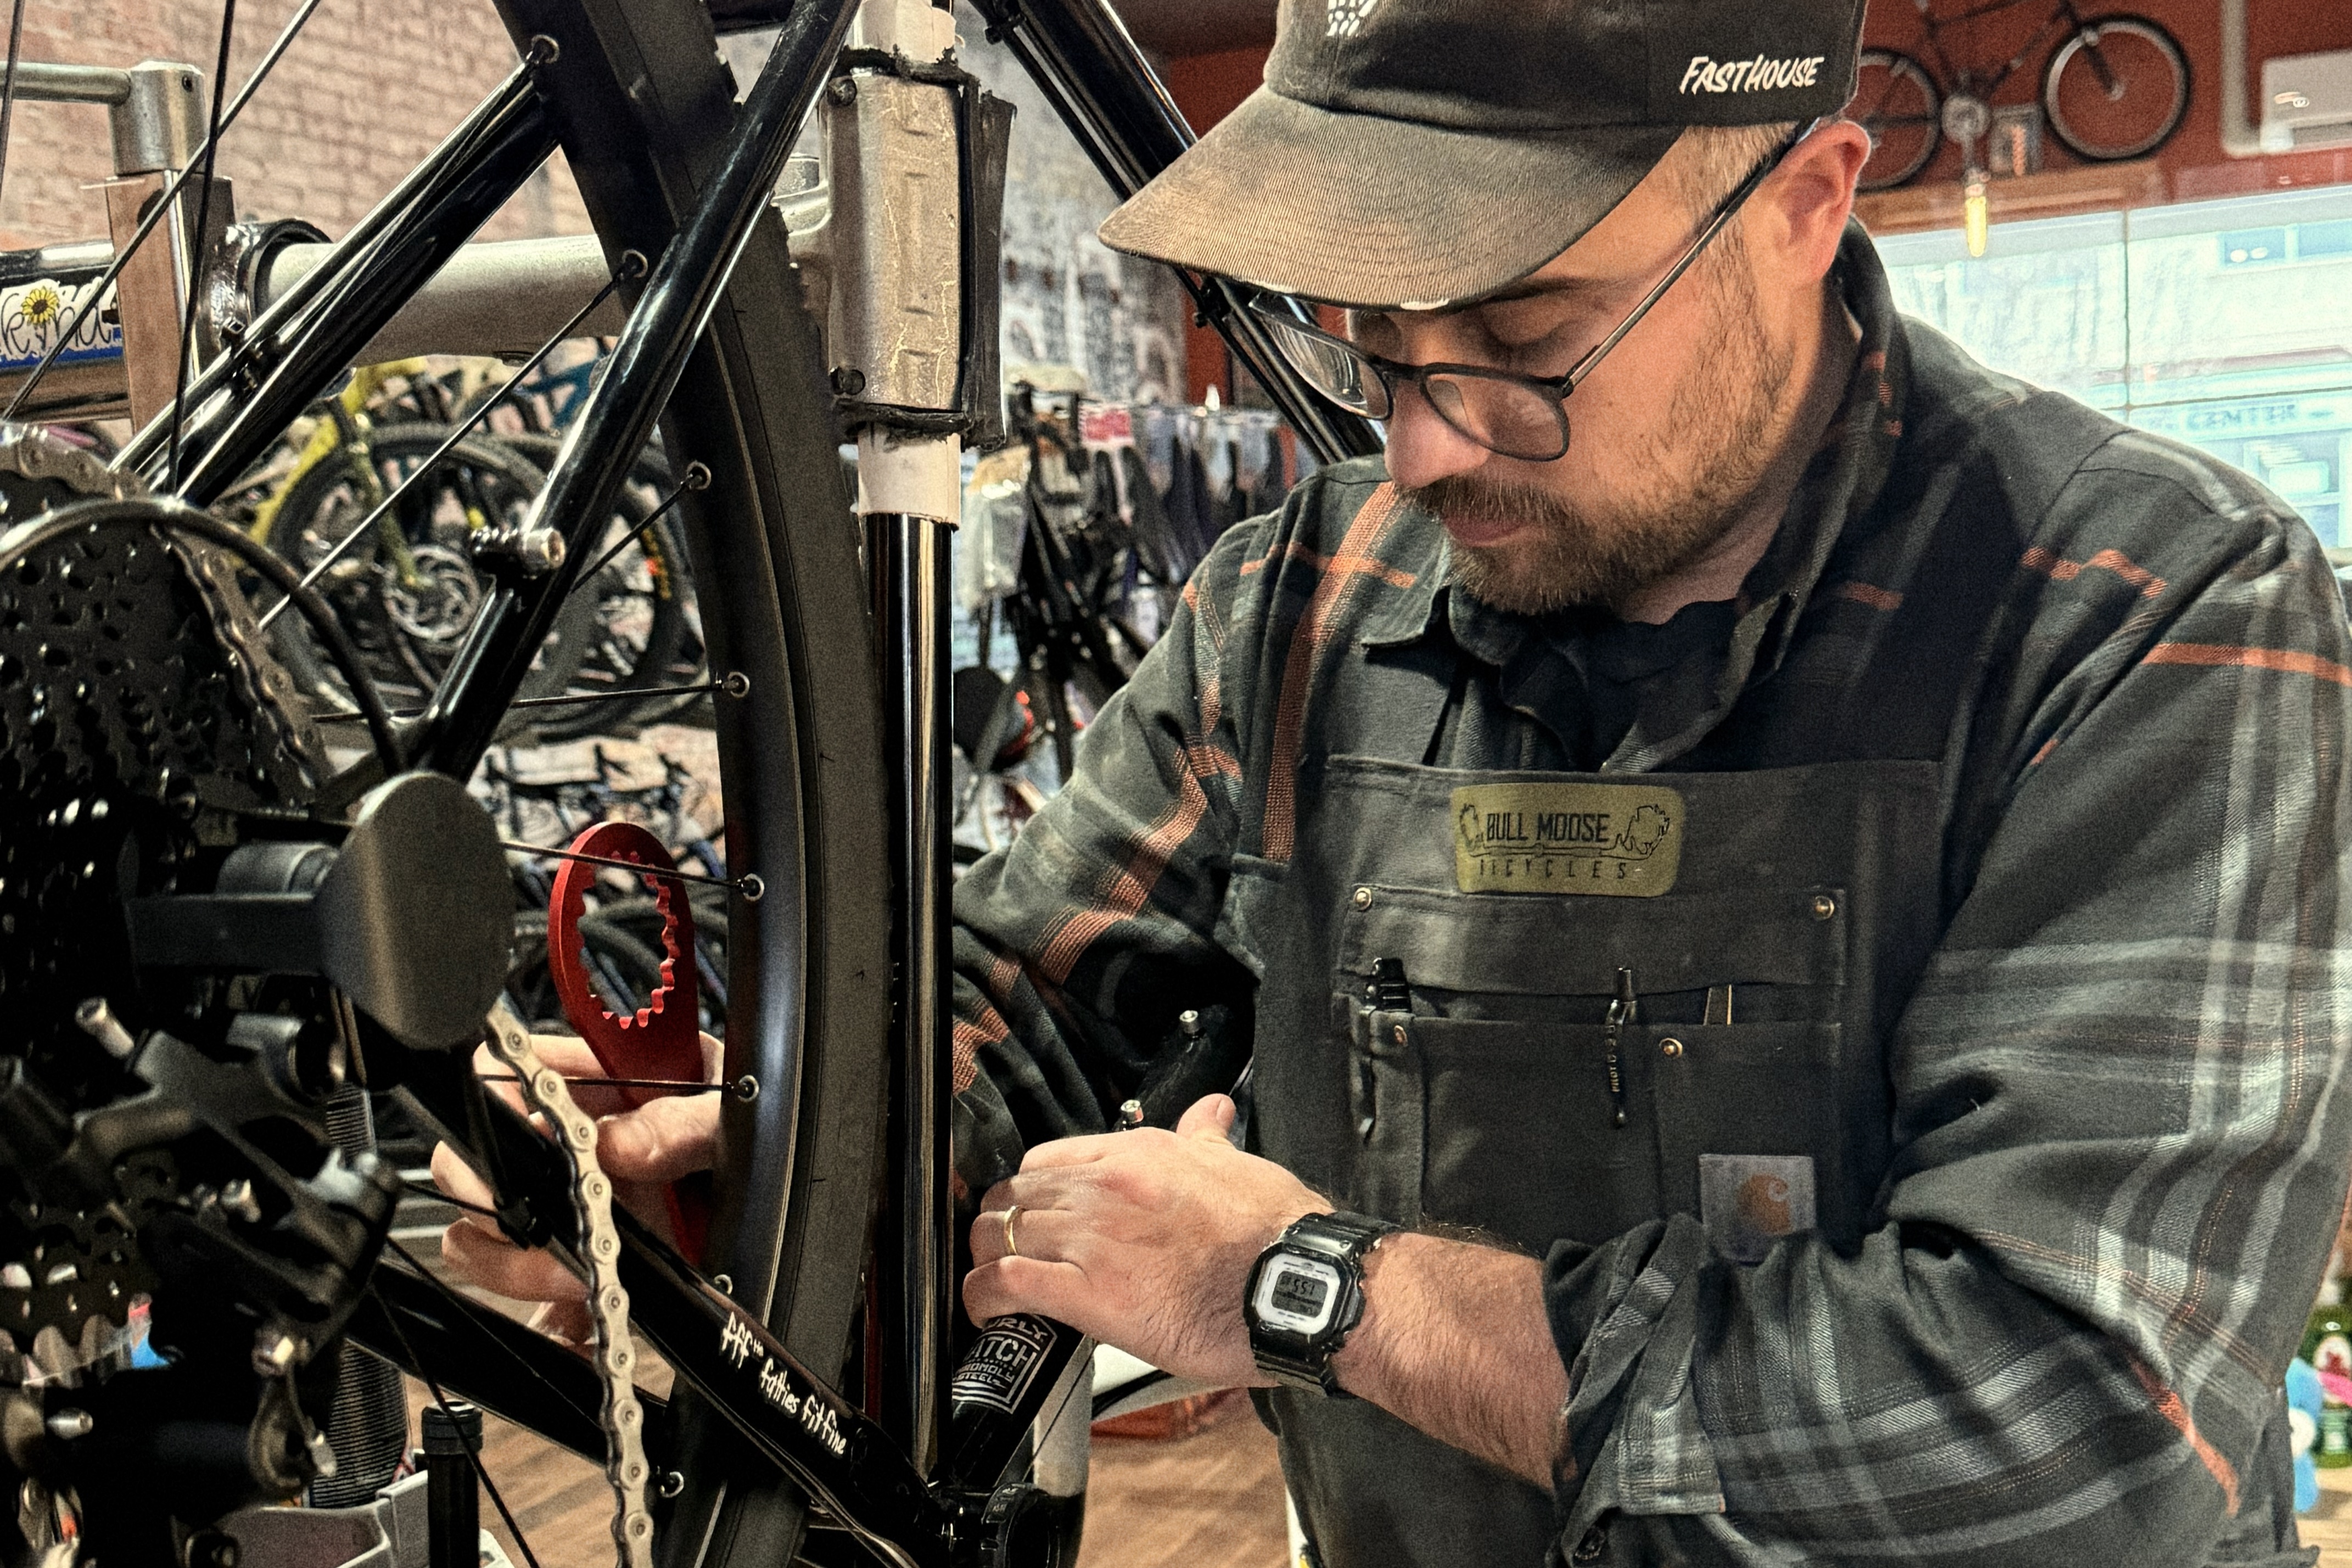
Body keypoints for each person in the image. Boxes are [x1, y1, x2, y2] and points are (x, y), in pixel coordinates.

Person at [440, 0, 2352, 1562]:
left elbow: (2076, 1429)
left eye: (1522, 345)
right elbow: (1021, 1022)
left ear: (1803, 195)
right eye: (1376, 350)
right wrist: (759, 1157)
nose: (1425, 448)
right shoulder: (1299, 600)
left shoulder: (2150, 618)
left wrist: (1313, 1292)